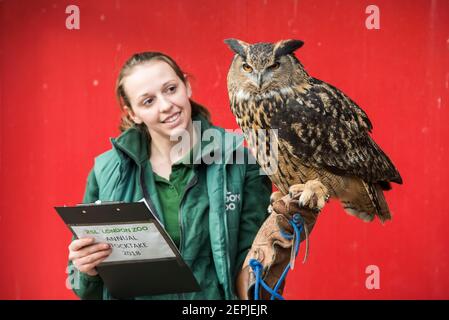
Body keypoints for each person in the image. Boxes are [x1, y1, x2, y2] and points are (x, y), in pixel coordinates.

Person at [67, 52, 323, 300]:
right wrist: (86, 270)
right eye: (148, 101)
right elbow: (85, 290)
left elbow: (247, 281)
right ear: (133, 114)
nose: (166, 105)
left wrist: (263, 267)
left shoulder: (240, 163)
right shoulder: (107, 171)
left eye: (170, 89)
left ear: (186, 86)